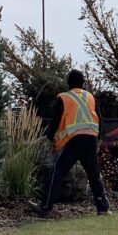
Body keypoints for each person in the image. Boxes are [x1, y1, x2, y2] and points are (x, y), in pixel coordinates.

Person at [34, 69, 110, 218]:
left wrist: (49, 137)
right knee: (94, 174)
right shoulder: (90, 97)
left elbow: (56, 121)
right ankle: (102, 207)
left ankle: (45, 207)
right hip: (90, 140)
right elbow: (100, 120)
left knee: (58, 172)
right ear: (83, 83)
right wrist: (99, 138)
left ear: (68, 83)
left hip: (74, 141)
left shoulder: (64, 98)